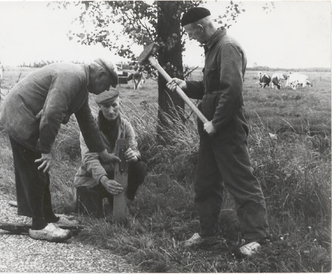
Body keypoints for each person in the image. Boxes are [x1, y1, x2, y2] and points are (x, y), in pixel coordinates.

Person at [166, 7, 270, 256]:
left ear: (200, 28)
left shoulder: (227, 47)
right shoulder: (212, 48)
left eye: (191, 33)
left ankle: (256, 237)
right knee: (206, 181)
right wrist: (186, 85)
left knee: (241, 181)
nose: (190, 38)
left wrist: (218, 122)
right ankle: (207, 232)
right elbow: (210, 88)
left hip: (226, 127)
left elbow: (232, 91)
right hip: (209, 126)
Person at [0, 58, 121, 242]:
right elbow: (52, 113)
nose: (106, 90)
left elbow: (86, 121)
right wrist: (45, 150)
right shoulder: (74, 77)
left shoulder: (80, 82)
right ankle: (38, 226)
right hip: (21, 116)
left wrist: (103, 153)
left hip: (26, 115)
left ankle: (49, 217)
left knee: (41, 170)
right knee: (37, 170)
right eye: (107, 84)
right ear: (100, 75)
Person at [74, 89, 147, 218]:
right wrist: (105, 181)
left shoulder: (126, 126)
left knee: (140, 166)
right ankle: (99, 196)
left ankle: (125, 199)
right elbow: (89, 159)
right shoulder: (89, 129)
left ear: (120, 104)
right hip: (94, 178)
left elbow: (134, 148)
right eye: (106, 106)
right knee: (91, 217)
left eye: (114, 105)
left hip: (117, 175)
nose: (111, 110)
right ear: (100, 107)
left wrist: (133, 156)